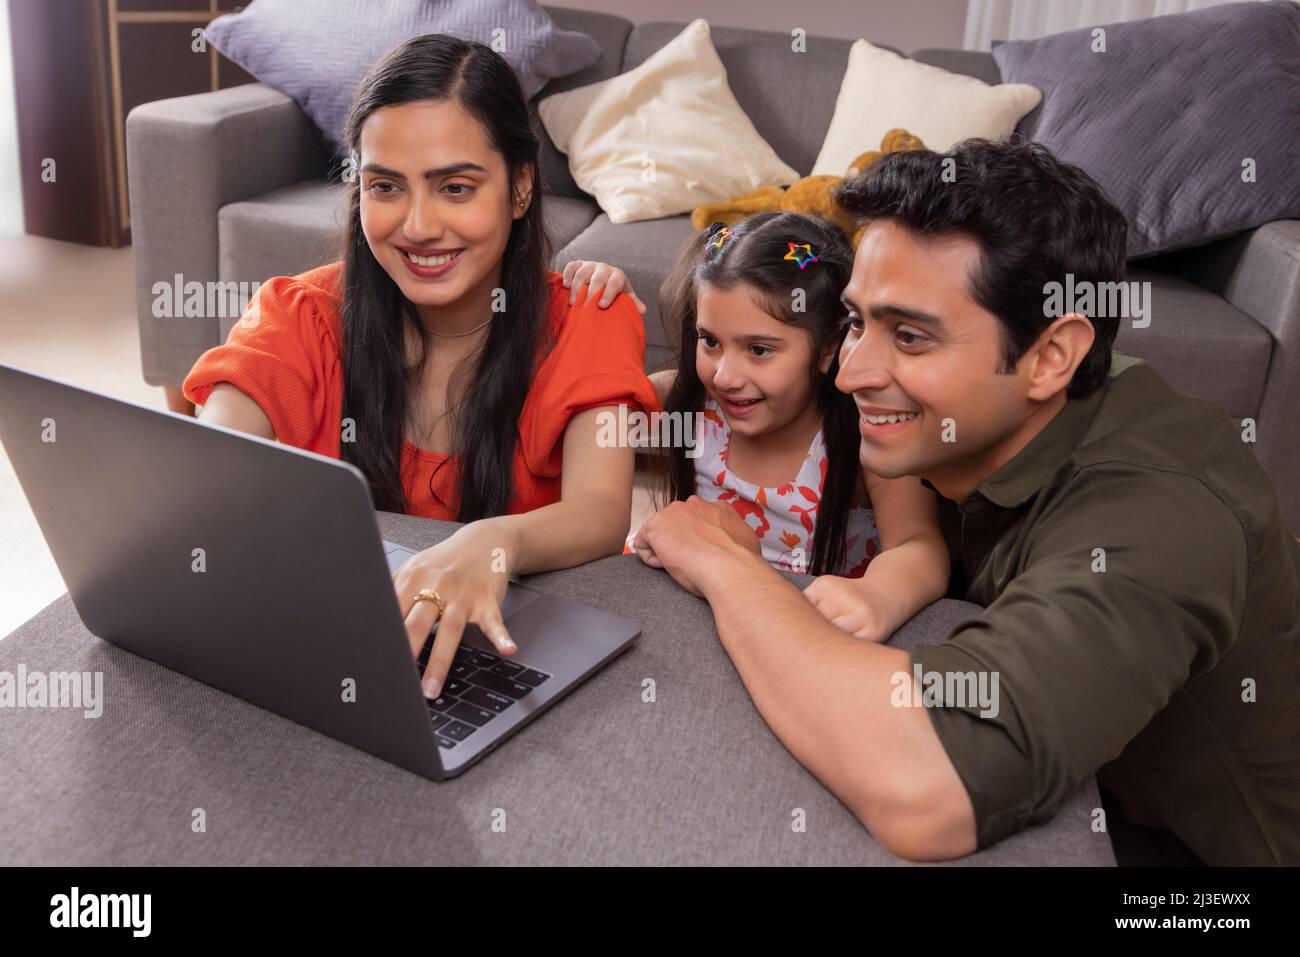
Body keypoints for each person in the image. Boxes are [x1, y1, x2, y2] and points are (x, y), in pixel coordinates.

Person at [632, 138, 1300, 865]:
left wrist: (726, 561)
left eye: (910, 336)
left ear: (1051, 356)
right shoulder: (987, 407)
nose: (850, 372)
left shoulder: (1161, 516)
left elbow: (925, 786)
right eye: (856, 323)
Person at [182, 35, 655, 701]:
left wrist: (492, 542)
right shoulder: (297, 313)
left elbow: (604, 511)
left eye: (455, 187)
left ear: (520, 187)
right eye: (386, 187)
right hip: (332, 648)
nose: (419, 225)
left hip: (510, 653)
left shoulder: (587, 317)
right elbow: (206, 467)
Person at [617, 211, 949, 642]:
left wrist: (879, 596)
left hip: (795, 633)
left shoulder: (866, 436)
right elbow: (598, 400)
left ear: (830, 348)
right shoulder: (693, 402)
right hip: (694, 620)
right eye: (711, 341)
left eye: (758, 349)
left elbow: (919, 547)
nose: (725, 376)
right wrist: (604, 300)